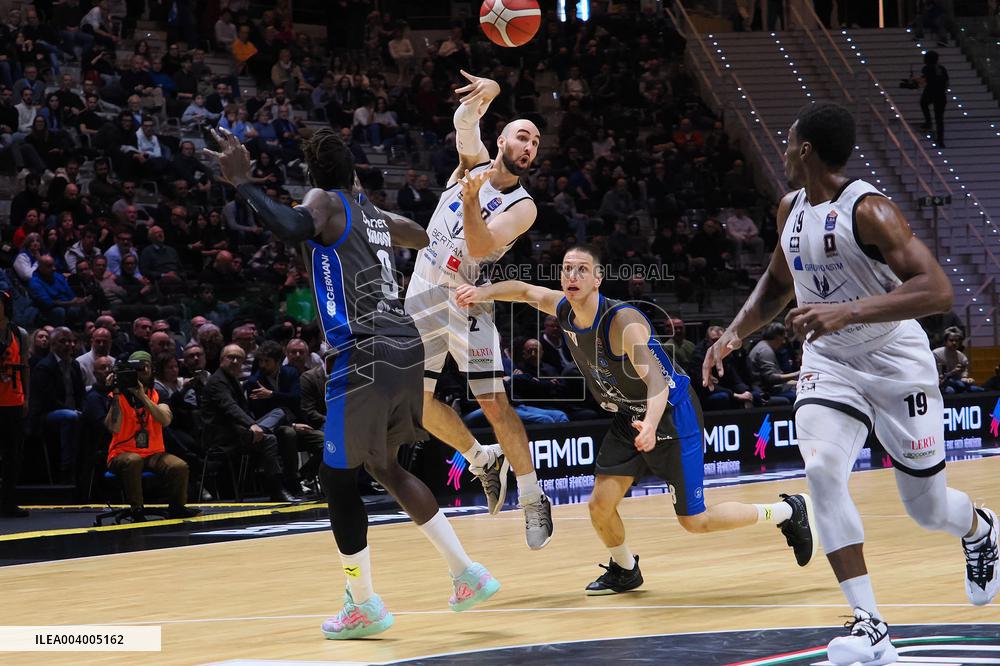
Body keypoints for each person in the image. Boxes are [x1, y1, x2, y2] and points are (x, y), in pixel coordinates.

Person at [702, 102, 998, 666]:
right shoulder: (789, 208)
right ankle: (871, 625)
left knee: (928, 509)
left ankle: (981, 528)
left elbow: (937, 290)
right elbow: (776, 282)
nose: (784, 149)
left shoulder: (870, 211)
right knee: (820, 470)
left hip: (894, 360)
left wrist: (848, 311)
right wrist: (733, 336)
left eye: (788, 139)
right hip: (829, 364)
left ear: (805, 149)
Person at [205, 125, 501, 639]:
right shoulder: (369, 214)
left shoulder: (324, 201)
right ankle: (466, 573)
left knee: (336, 480)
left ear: (315, 179)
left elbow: (290, 226)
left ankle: (363, 603)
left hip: (362, 352)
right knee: (384, 466)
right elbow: (419, 234)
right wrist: (370, 212)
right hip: (404, 346)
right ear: (356, 174)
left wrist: (244, 185)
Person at [458, 246, 813, 592]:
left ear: (598, 279)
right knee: (599, 505)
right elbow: (524, 291)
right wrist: (480, 291)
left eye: (582, 269)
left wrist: (651, 424)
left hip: (672, 415)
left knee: (695, 521)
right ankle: (625, 569)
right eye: (567, 268)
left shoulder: (622, 323)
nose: (572, 275)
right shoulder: (564, 309)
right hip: (630, 415)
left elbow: (657, 382)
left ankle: (785, 511)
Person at [402, 70, 553, 548]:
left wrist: (470, 200)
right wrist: (488, 95)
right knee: (416, 403)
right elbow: (464, 121)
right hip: (424, 290)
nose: (529, 146)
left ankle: (532, 497)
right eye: (522, 135)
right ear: (503, 137)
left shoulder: (523, 206)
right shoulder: (474, 162)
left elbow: (481, 240)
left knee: (493, 402)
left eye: (535, 143)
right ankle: (482, 459)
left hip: (469, 300)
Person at [104, 351, 201, 522]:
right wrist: (117, 394)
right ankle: (137, 510)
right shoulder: (116, 395)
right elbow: (113, 427)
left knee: (178, 466)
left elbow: (165, 420)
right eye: (135, 369)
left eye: (143, 368)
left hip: (153, 454)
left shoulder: (158, 394)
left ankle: (178, 508)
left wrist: (142, 396)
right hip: (121, 453)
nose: (140, 373)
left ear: (152, 370)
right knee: (133, 460)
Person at [0, 291, 30, 517]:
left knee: (14, 455)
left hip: (14, 400)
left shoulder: (19, 334)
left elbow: (25, 366)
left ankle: (9, 501)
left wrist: (27, 397)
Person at [933, 326, 983, 393]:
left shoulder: (962, 357)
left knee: (977, 390)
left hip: (958, 384)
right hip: (941, 384)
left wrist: (966, 379)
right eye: (951, 340)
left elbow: (964, 375)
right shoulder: (936, 354)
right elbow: (939, 377)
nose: (954, 343)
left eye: (956, 341)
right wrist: (952, 372)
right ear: (945, 341)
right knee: (950, 390)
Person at [918, 50, 948, 148]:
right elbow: (946, 81)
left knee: (923, 103)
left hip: (931, 92)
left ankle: (928, 122)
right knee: (939, 118)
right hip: (941, 94)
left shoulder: (927, 68)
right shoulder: (941, 68)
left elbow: (923, 80)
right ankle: (941, 140)